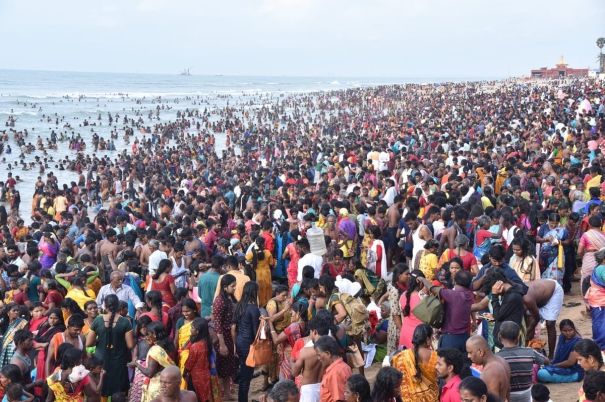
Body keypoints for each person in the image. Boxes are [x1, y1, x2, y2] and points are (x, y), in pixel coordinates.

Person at [86, 294, 135, 400]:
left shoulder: (98, 321)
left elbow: (89, 343)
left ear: (105, 306)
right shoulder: (124, 322)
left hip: (101, 361)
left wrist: (100, 340)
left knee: (103, 388)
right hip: (119, 360)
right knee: (119, 388)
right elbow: (130, 345)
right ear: (118, 306)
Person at [417, 271, 473, 352]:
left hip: (450, 339)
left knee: (445, 363)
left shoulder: (453, 295)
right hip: (464, 337)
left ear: (454, 281)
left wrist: (422, 279)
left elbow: (431, 288)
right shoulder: (468, 295)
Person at [495, 321, 548, 402]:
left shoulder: (497, 357)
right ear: (518, 337)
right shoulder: (530, 352)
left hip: (508, 396)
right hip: (526, 394)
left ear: (500, 336)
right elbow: (546, 361)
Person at [127, 321, 176, 402]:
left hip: (158, 386)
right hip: (170, 381)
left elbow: (150, 373)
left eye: (149, 333)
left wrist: (136, 364)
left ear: (154, 334)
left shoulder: (154, 350)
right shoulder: (170, 343)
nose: (147, 336)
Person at [480, 268, 526, 350]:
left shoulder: (513, 296)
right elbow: (502, 315)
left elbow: (498, 316)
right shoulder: (509, 293)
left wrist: (494, 295)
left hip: (507, 344)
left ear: (498, 285)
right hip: (503, 341)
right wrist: (493, 317)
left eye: (493, 289)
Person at [391, 324, 438, 402]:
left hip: (407, 399)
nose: (432, 339)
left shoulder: (402, 356)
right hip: (431, 398)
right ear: (427, 339)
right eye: (431, 337)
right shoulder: (435, 356)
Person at [231, 281, 261, 402]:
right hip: (249, 344)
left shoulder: (238, 306)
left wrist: (235, 344)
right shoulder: (253, 309)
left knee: (244, 375)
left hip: (239, 342)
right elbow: (256, 332)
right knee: (246, 379)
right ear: (254, 293)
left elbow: (233, 328)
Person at [182, 318, 221, 402]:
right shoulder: (207, 343)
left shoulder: (195, 346)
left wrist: (184, 373)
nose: (190, 329)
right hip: (205, 375)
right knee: (205, 397)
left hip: (195, 377)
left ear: (197, 331)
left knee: (195, 397)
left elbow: (189, 363)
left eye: (192, 328)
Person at [212, 274, 238, 400]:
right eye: (232, 286)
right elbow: (217, 324)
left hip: (230, 337)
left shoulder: (230, 298)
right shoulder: (220, 301)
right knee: (221, 370)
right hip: (223, 338)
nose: (235, 288)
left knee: (228, 369)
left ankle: (227, 393)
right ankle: (219, 396)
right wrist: (221, 344)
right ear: (225, 287)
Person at [268, 301, 307, 380]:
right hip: (300, 359)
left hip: (290, 360)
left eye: (292, 313)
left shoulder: (294, 326)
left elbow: (276, 340)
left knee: (285, 386)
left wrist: (270, 323)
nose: (291, 316)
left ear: (298, 314)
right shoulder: (305, 324)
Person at [537, 319, 583, 383]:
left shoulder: (578, 342)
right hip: (560, 365)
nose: (568, 333)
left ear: (574, 329)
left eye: (570, 330)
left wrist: (555, 365)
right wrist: (553, 363)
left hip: (574, 372)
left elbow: (570, 362)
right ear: (560, 331)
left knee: (542, 374)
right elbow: (558, 354)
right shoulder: (562, 337)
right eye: (564, 331)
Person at [465, 335, 510, 401]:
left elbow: (491, 400)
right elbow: (508, 389)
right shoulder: (502, 360)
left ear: (481, 352)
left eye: (470, 352)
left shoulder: (489, 372)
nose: (468, 356)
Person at [32, 308, 65, 395]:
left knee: (46, 378)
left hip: (48, 357)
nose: (52, 320)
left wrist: (38, 344)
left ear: (60, 319)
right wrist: (39, 344)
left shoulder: (60, 330)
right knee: (40, 378)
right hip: (40, 356)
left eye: (55, 318)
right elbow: (35, 340)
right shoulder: (46, 327)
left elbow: (48, 344)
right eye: (50, 318)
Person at [314, 335, 351, 402]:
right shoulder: (344, 366)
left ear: (328, 354)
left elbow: (339, 399)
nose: (318, 358)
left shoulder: (335, 372)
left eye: (319, 355)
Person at [383, 263, 408, 355]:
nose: (408, 276)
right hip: (397, 325)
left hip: (402, 322)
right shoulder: (395, 291)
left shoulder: (405, 286)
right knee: (395, 353)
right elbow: (395, 313)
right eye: (406, 274)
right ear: (399, 275)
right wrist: (402, 330)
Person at [536, 213, 568, 285]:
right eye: (552, 223)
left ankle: (556, 288)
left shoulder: (562, 230)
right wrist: (545, 239)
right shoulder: (544, 227)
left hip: (557, 255)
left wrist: (560, 242)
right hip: (545, 255)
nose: (554, 225)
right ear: (548, 221)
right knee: (544, 272)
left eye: (556, 223)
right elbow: (537, 239)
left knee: (556, 272)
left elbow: (568, 242)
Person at [399, 270, 426, 349]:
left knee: (406, 358)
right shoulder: (423, 297)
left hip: (405, 331)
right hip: (419, 334)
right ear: (421, 283)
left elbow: (402, 317)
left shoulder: (403, 295)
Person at [247, 236, 275, 307]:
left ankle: (260, 304)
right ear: (263, 244)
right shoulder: (268, 252)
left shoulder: (252, 253)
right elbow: (271, 263)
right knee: (267, 288)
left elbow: (245, 260)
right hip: (267, 273)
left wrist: (252, 264)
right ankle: (268, 304)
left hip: (258, 274)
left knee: (259, 289)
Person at [585, 248, 605, 349]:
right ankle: (601, 348)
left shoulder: (598, 267)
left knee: (599, 323)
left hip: (596, 300)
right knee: (601, 324)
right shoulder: (602, 268)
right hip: (600, 300)